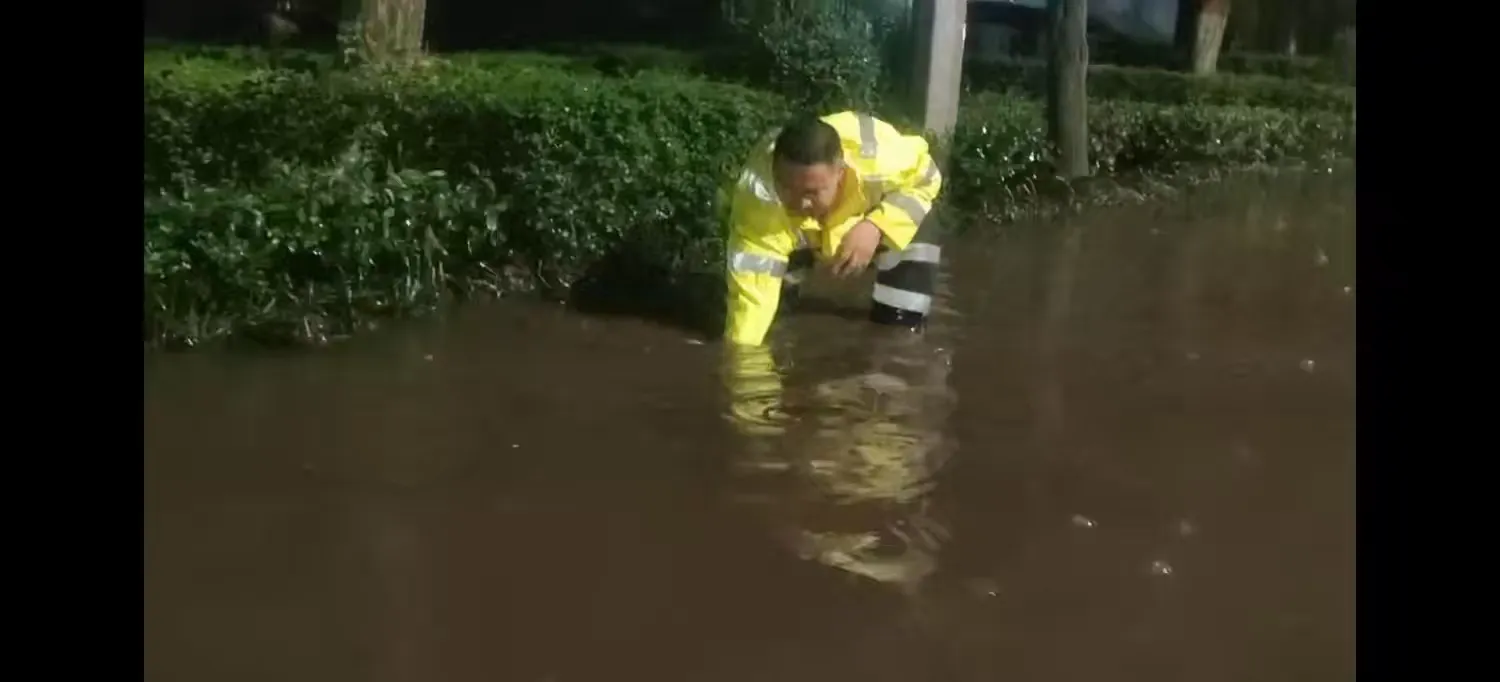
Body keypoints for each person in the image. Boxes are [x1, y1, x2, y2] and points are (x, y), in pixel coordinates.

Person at [723, 111, 945, 347]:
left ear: (840, 172)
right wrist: (741, 359)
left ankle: (900, 328)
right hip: (805, 234)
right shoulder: (759, 195)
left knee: (920, 220)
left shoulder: (883, 162)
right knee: (772, 321)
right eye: (787, 188)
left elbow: (928, 178)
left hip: (868, 218)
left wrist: (876, 226)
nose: (800, 203)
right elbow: (752, 289)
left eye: (811, 192)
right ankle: (788, 300)